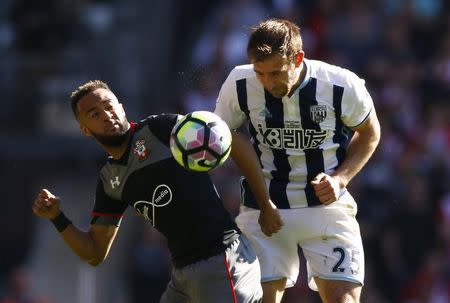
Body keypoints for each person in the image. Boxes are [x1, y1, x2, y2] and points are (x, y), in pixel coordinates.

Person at [31, 80, 263, 303]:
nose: (106, 115)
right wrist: (57, 218)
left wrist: (266, 203)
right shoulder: (110, 179)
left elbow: (231, 140)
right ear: (85, 129)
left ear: (121, 107)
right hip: (183, 273)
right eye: (94, 114)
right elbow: (95, 252)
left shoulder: (159, 129)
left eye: (109, 106)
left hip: (222, 259)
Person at [214, 18, 381, 303]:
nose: (267, 82)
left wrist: (340, 178)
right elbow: (224, 134)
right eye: (260, 73)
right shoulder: (239, 83)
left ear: (299, 58)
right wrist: (264, 201)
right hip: (264, 211)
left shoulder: (340, 85)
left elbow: (370, 133)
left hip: (326, 209)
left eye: (276, 73)